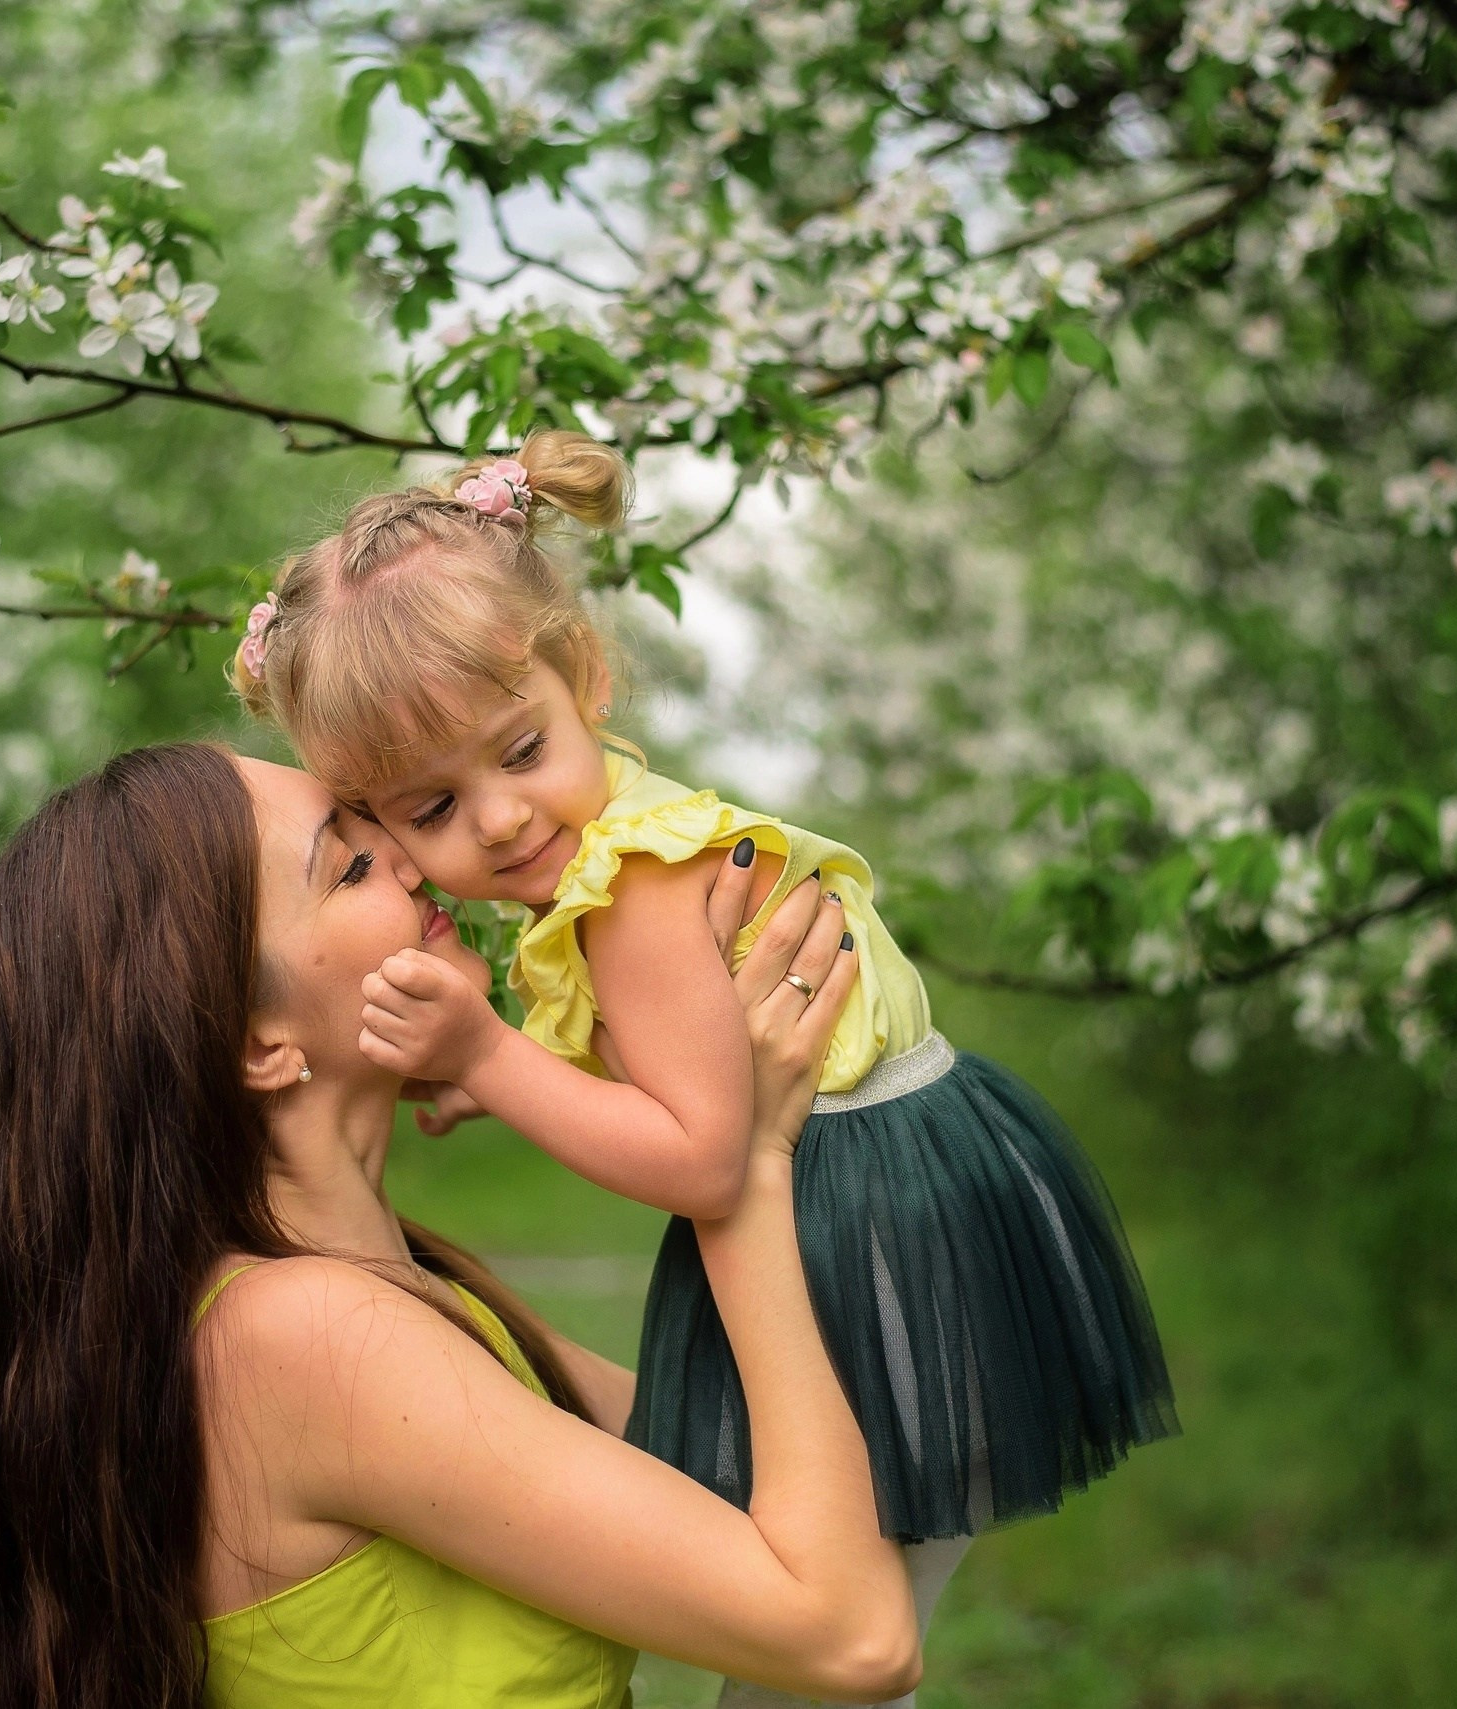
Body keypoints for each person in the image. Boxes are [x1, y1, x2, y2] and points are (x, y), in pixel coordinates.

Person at [232, 433, 1178, 1702]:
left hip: (861, 1206)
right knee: (836, 1568)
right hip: (877, 1178)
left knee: (835, 1614)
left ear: (584, 674)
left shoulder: (632, 884)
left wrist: (492, 1055)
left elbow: (701, 1155)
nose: (498, 819)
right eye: (424, 812)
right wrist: (496, 1067)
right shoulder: (606, 845)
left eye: (517, 754)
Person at [0, 742, 919, 1709]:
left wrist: (666, 1032)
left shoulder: (382, 1283)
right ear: (254, 1041)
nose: (415, 863)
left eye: (375, 825)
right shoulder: (312, 1339)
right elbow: (850, 1633)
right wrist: (740, 1173)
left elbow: (739, 1464)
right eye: (346, 866)